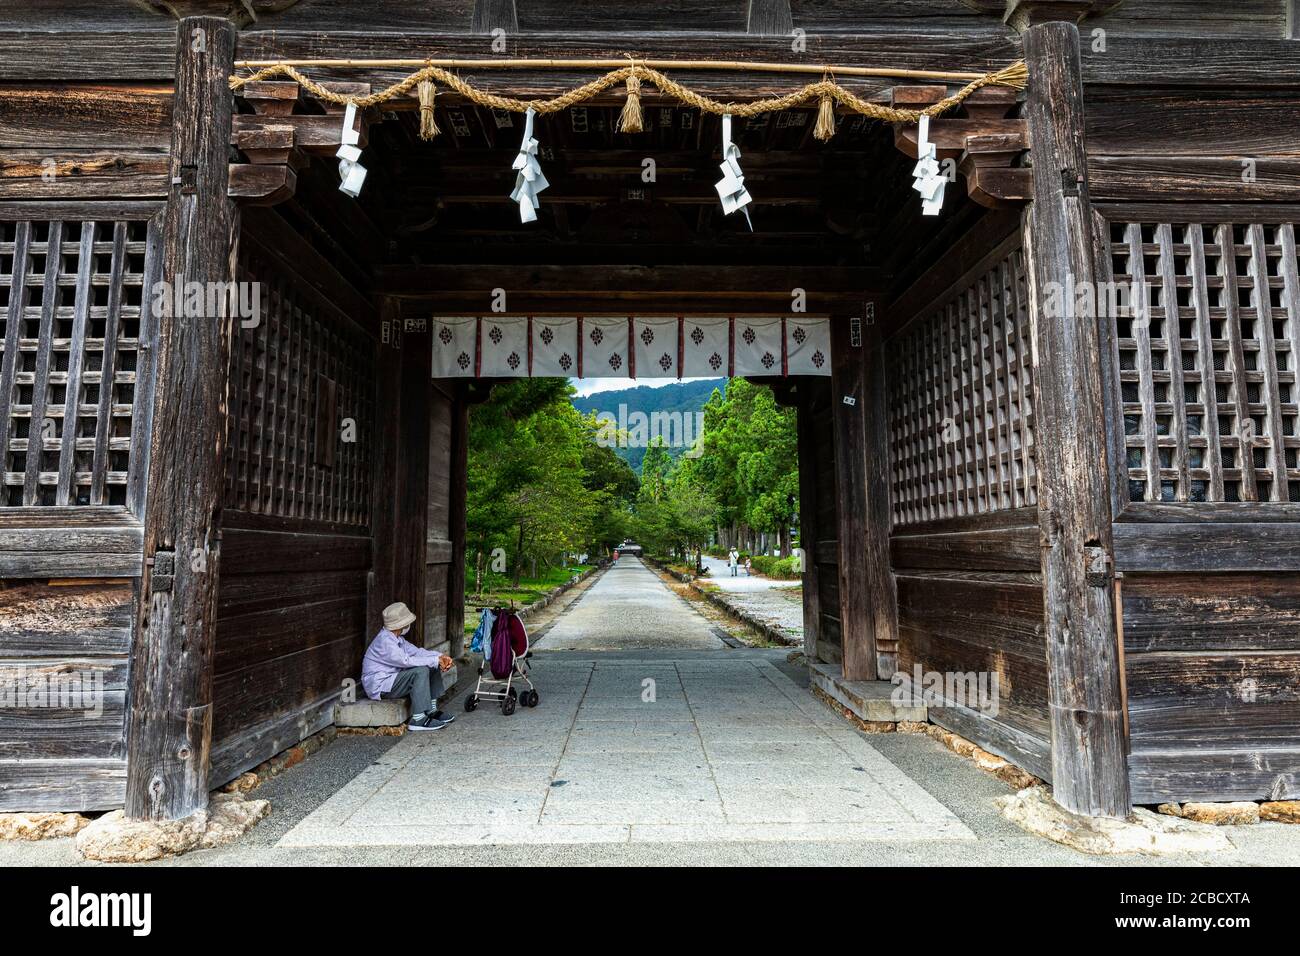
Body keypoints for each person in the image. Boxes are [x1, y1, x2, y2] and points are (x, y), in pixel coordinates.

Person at [362, 601, 456, 731]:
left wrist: (440, 657)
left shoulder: (397, 639)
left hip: (393, 679)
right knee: (421, 670)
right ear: (400, 624)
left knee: (431, 665)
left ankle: (431, 711)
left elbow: (417, 652)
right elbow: (405, 661)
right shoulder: (384, 642)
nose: (409, 624)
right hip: (381, 686)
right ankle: (418, 719)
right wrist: (435, 660)